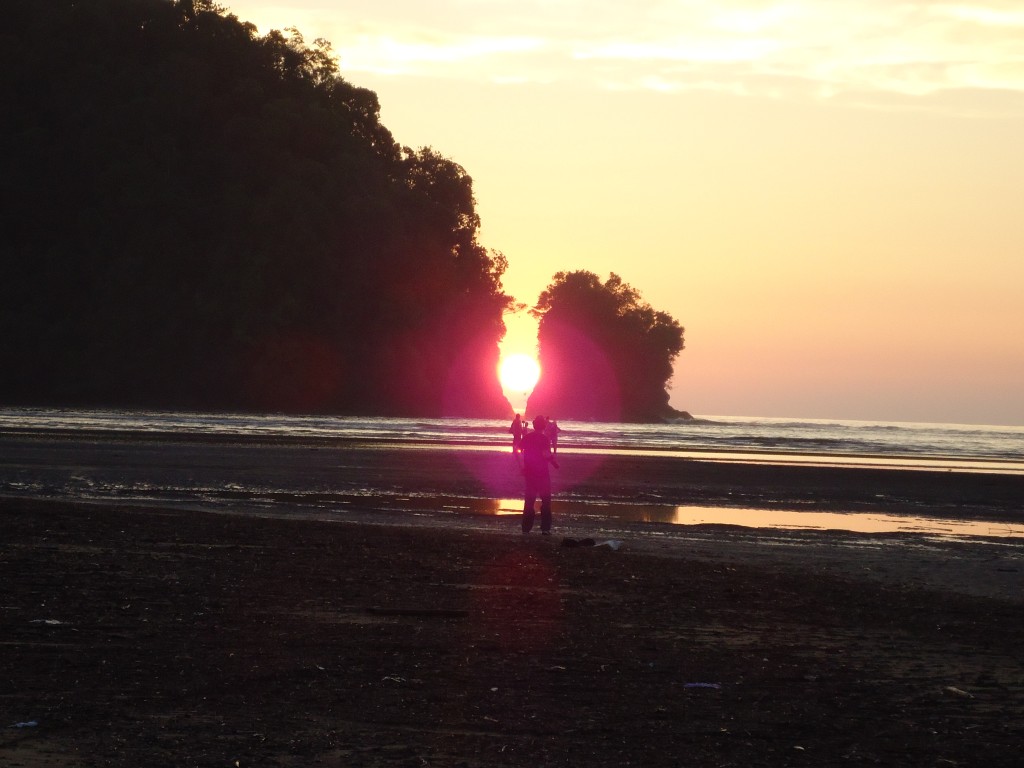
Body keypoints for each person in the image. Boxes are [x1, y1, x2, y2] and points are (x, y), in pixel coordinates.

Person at [521, 415, 559, 534]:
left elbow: (517, 450)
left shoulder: (527, 437)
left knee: (529, 501)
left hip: (529, 473)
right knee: (546, 501)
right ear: (544, 426)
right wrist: (553, 462)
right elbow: (545, 454)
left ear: (533, 425)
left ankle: (526, 528)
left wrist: (521, 466)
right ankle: (545, 529)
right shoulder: (544, 439)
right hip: (542, 474)